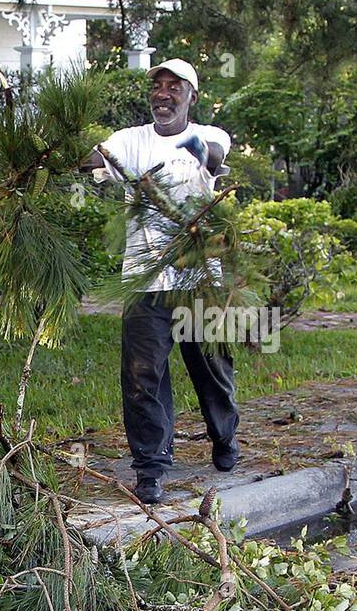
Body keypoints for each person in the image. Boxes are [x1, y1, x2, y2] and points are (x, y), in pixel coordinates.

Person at [82, 59, 239, 505]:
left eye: (175, 87)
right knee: (142, 374)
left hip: (199, 280)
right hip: (145, 282)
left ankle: (224, 435)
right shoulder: (129, 141)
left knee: (212, 370)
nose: (163, 94)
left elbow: (211, 154)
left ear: (192, 96)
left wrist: (189, 153)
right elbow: (93, 158)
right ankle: (150, 467)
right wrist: (65, 147)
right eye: (158, 86)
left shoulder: (211, 136)